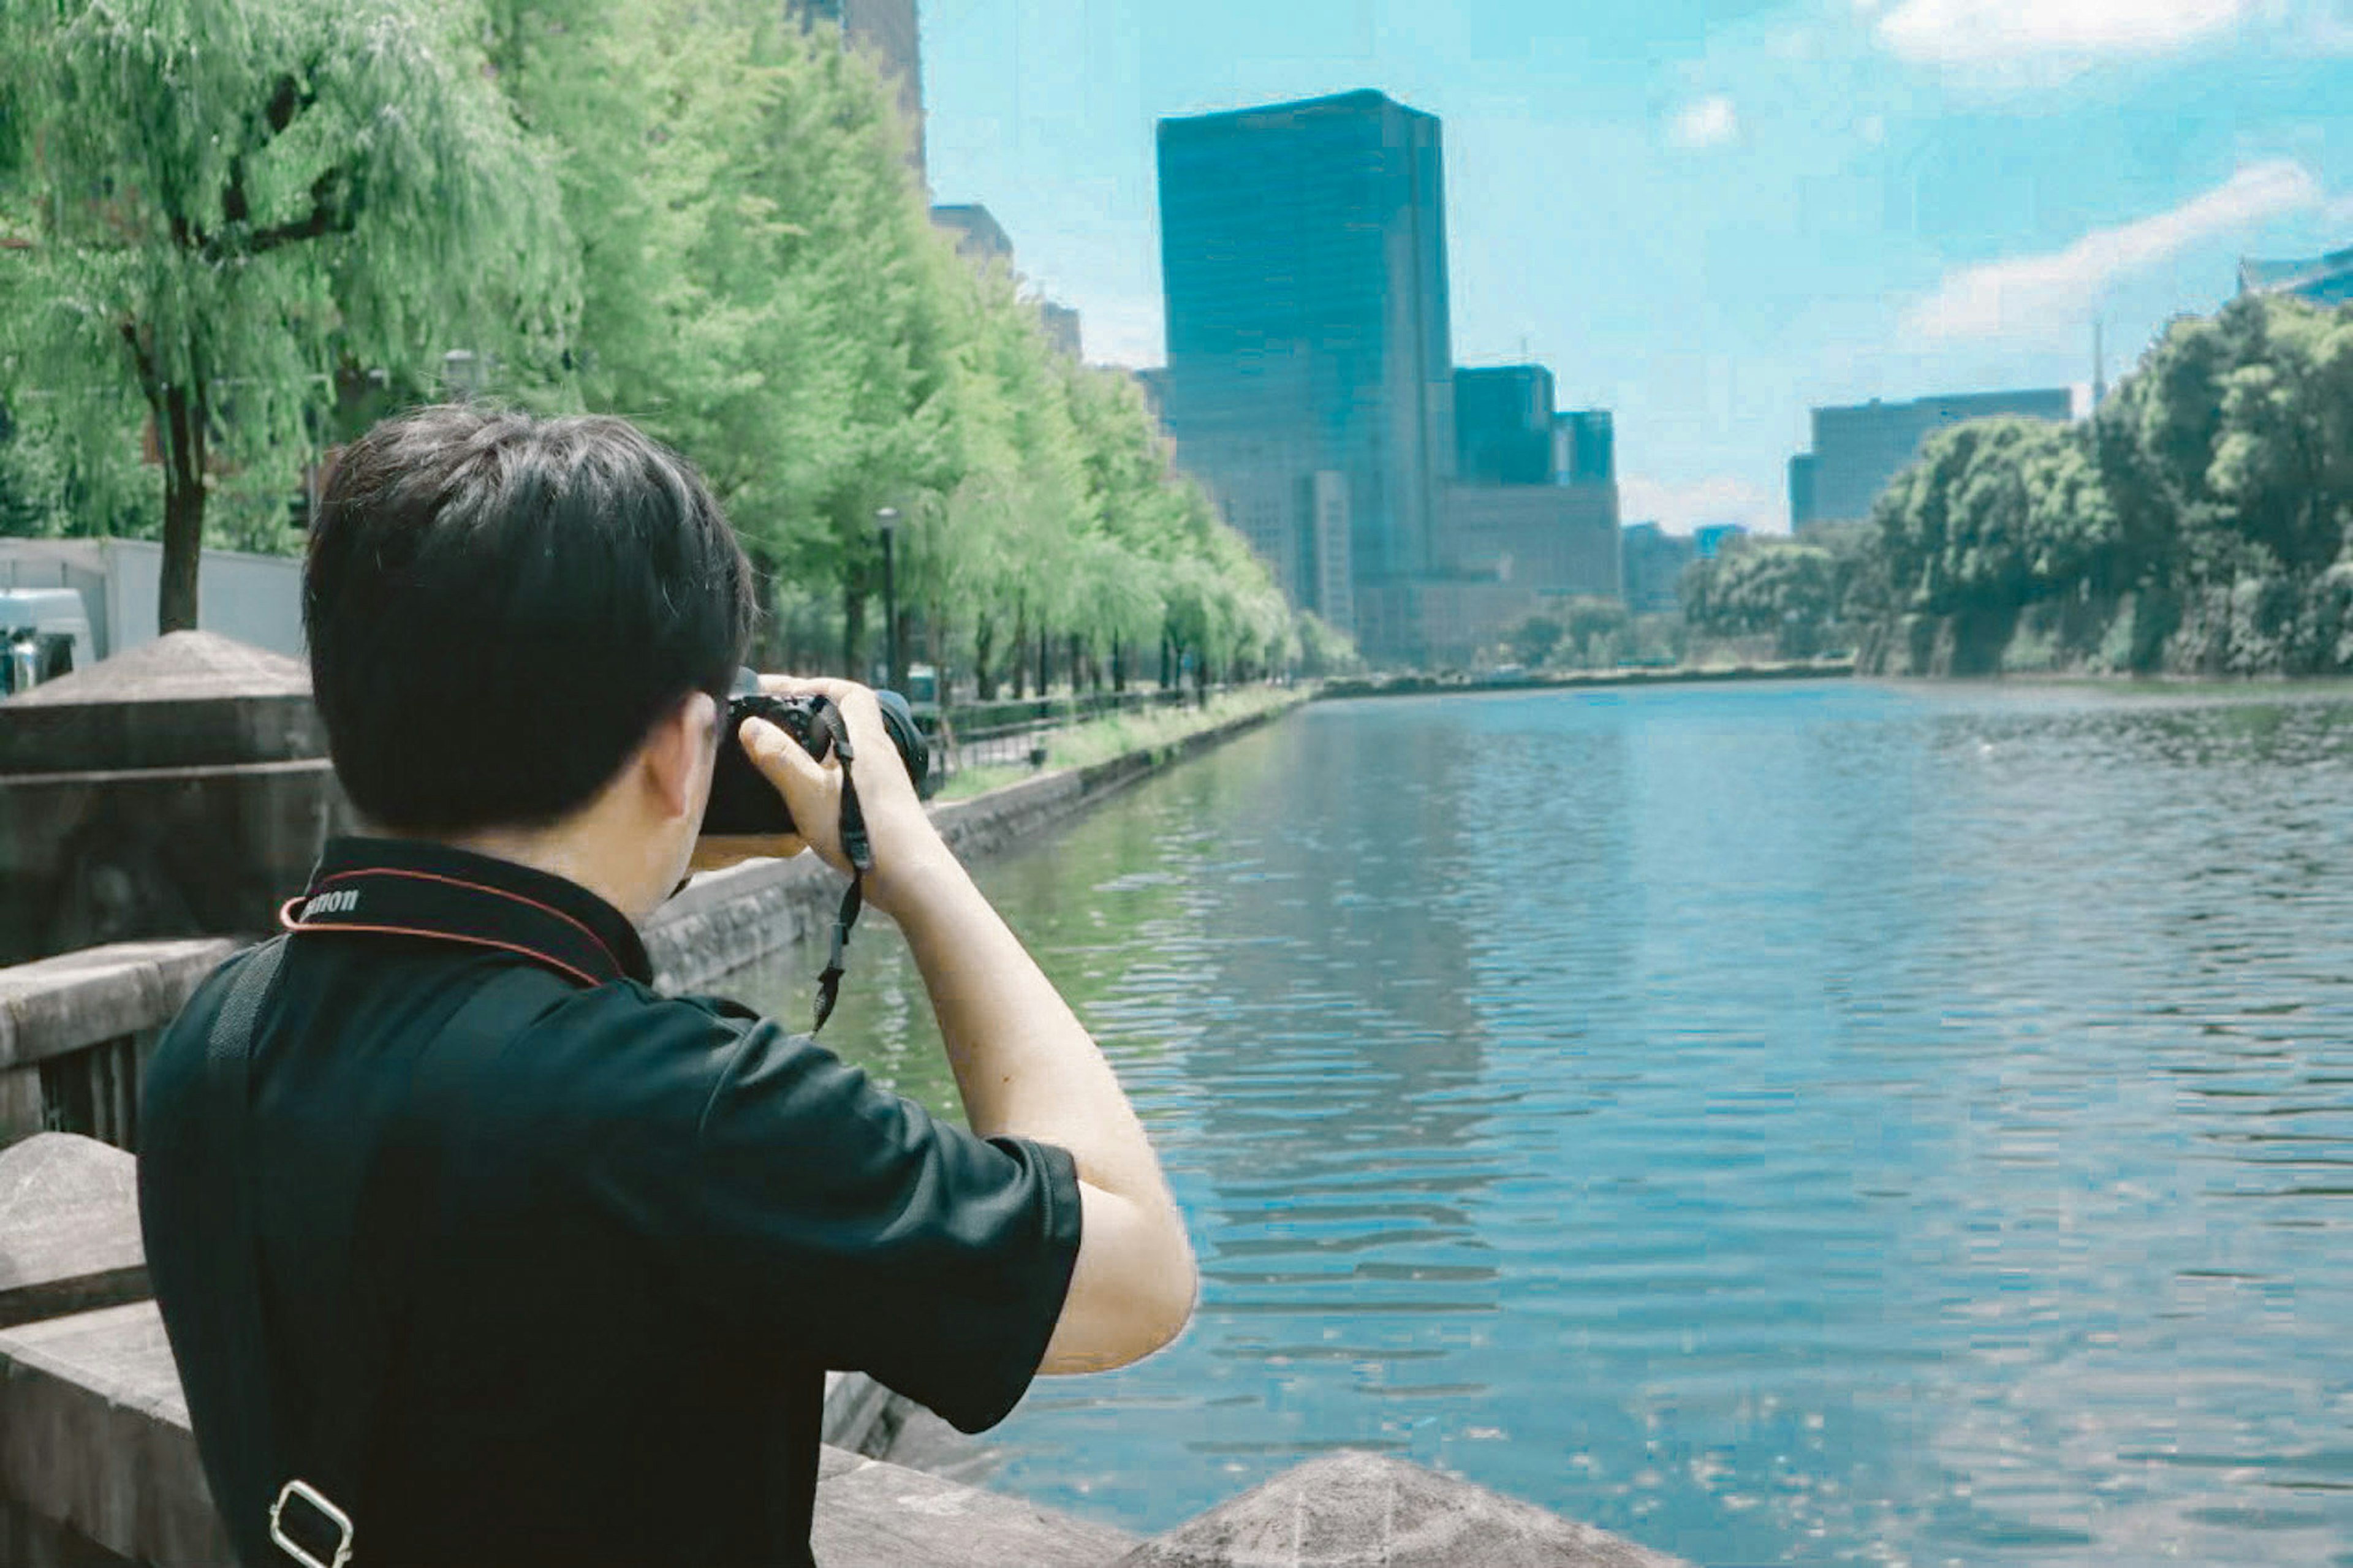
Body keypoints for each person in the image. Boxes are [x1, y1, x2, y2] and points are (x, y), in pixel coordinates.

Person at [136, 406, 1197, 1568]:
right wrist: (915, 867)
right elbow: (1138, 1273)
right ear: (685, 750)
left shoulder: (214, 1043)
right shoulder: (686, 1107)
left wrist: (638, 838)